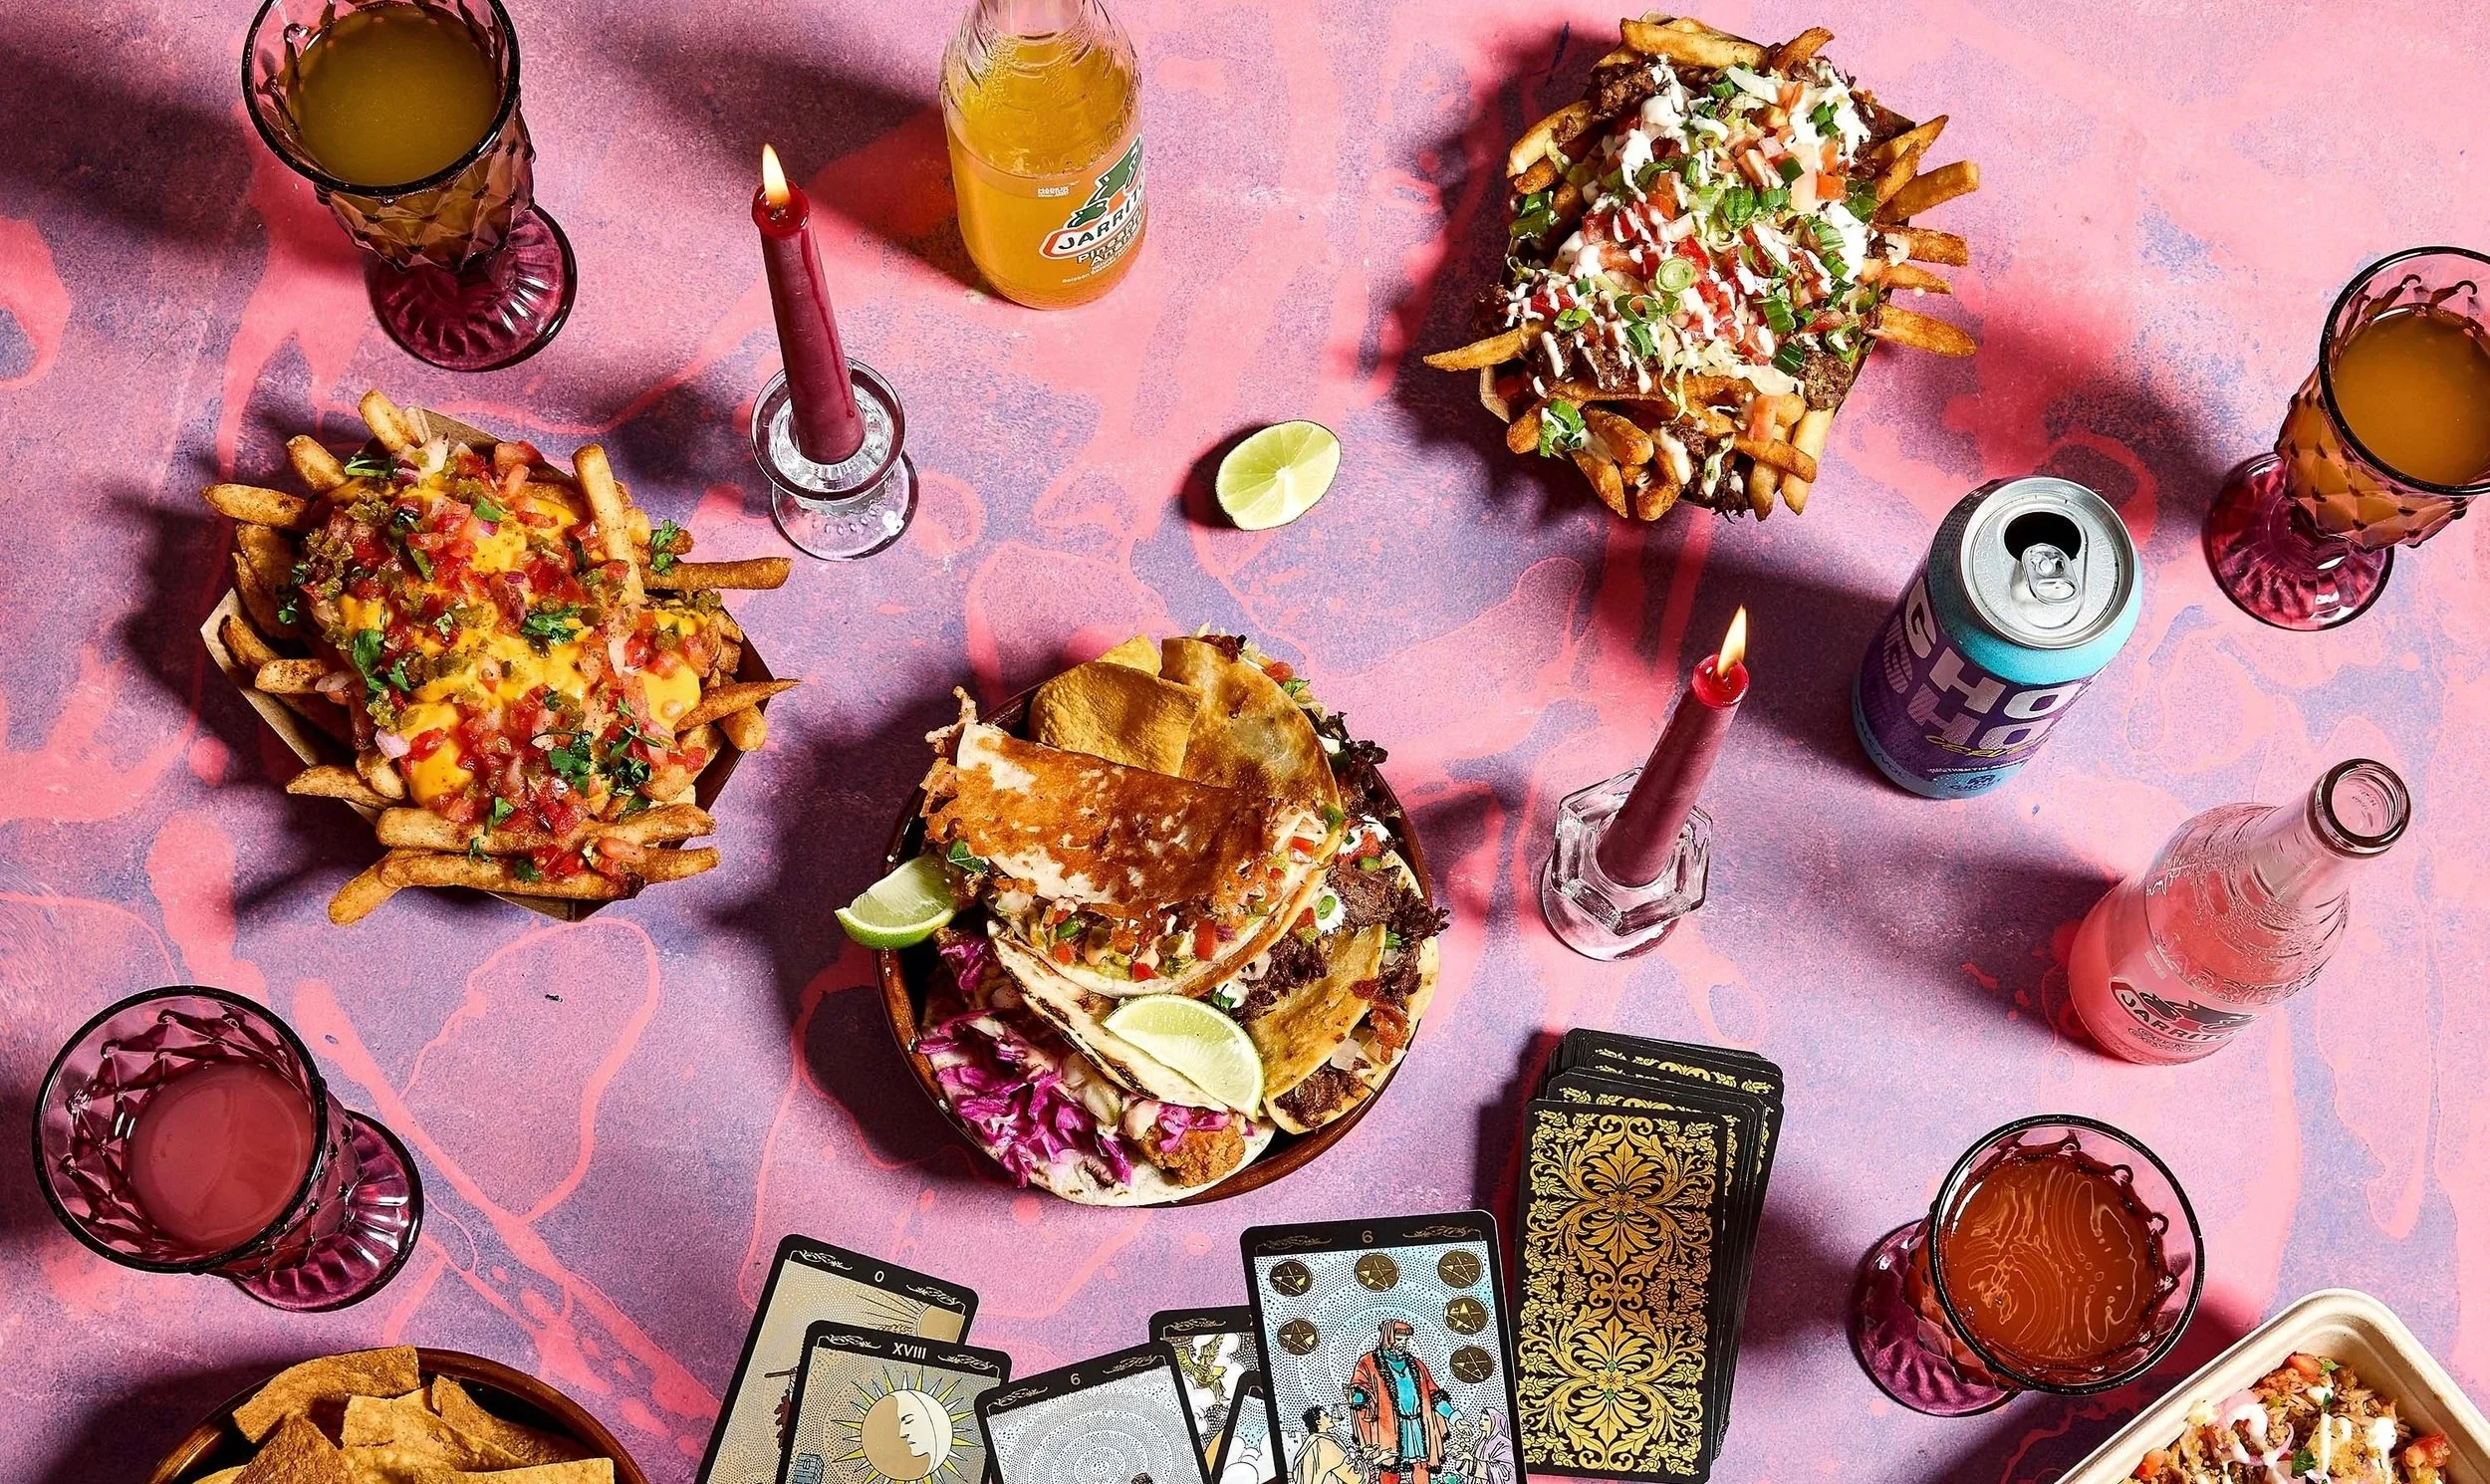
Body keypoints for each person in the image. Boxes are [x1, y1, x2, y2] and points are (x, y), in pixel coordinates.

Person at [1345, 1321, 1454, 1484]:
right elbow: (1361, 1389)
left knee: (1422, 1467)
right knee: (1389, 1470)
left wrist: (1454, 1418)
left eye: (1405, 1340)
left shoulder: (1416, 1365)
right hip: (1388, 1429)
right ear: (1387, 1338)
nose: (1403, 1344)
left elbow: (1434, 1395)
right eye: (1399, 1339)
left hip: (1418, 1426)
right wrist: (1358, 1397)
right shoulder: (1368, 1362)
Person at [1295, 1407, 1359, 1484]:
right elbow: (1354, 1477)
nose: (1331, 1418)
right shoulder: (1324, 1443)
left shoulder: (1312, 1441)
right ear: (1318, 1421)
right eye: (1326, 1416)